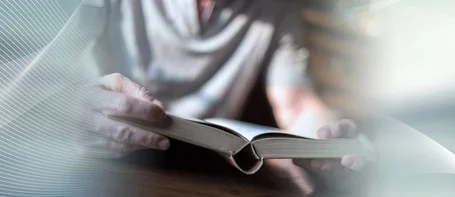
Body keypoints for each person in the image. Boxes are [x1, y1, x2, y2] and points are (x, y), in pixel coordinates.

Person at [79, 0, 370, 195]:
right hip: (112, 159)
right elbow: (52, 71)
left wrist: (324, 142)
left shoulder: (278, 8)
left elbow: (296, 105)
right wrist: (70, 105)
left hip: (211, 165)